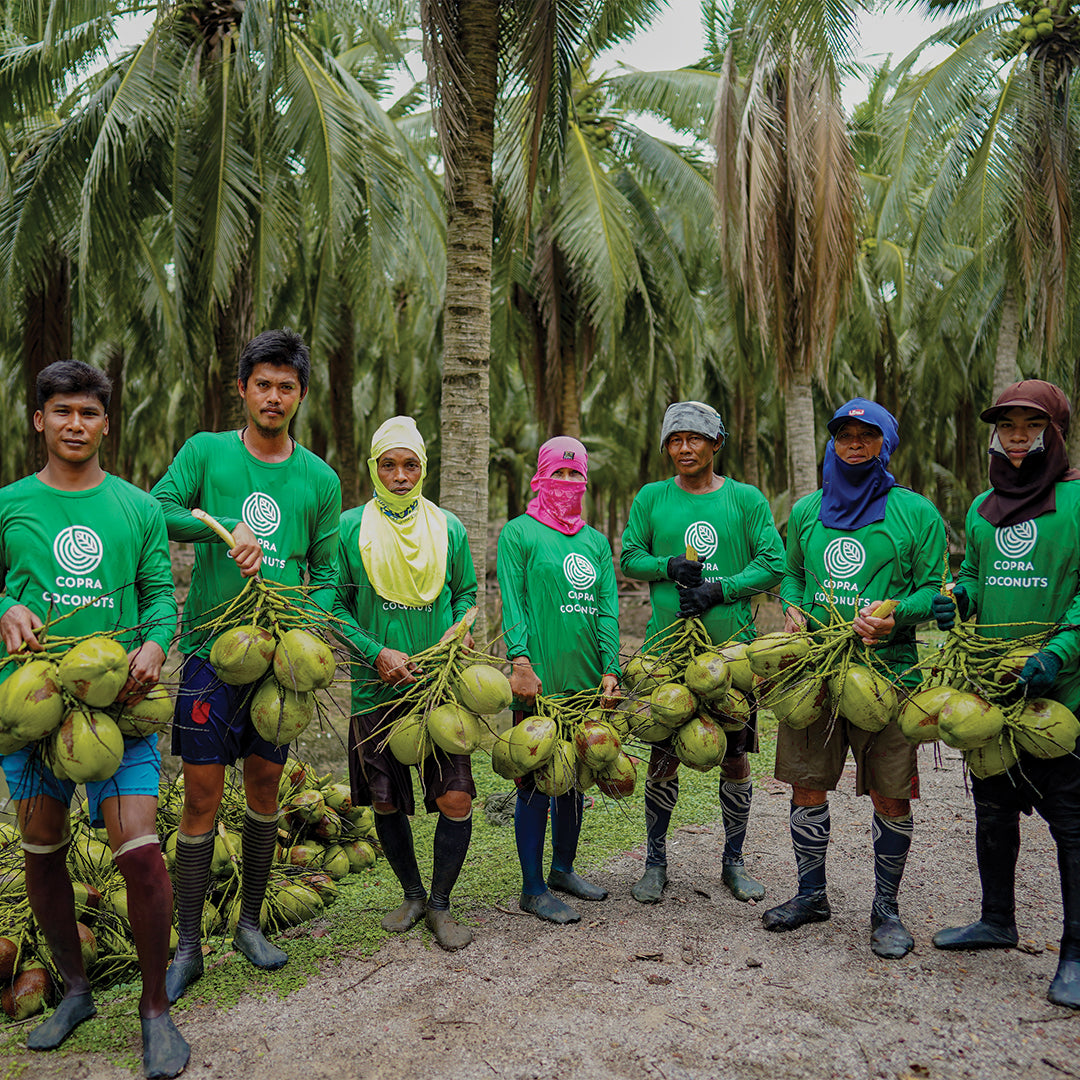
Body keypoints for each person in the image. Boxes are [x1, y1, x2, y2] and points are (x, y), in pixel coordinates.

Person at [0, 361, 187, 1077]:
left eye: (89, 412)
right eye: (62, 412)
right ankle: (75, 991)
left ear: (107, 423)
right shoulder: (10, 502)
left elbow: (159, 596)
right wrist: (6, 609)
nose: (75, 424)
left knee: (139, 850)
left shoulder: (137, 508)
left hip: (119, 708)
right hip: (33, 702)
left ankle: (154, 1011)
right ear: (39, 421)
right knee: (41, 847)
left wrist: (153, 643)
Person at [152, 330, 341, 1002]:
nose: (273, 396)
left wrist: (303, 626)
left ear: (301, 396)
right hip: (210, 653)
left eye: (286, 386)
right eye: (262, 383)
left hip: (278, 668)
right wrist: (225, 528)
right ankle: (189, 945)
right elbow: (161, 508)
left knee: (265, 788)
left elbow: (330, 567)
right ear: (242, 389)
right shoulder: (206, 452)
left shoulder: (320, 477)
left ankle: (253, 926)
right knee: (201, 797)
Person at [763, 399, 945, 959]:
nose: (856, 444)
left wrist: (898, 616)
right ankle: (811, 893)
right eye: (845, 434)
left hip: (887, 674)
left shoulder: (915, 513)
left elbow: (935, 589)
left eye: (869, 436)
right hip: (815, 671)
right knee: (806, 783)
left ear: (885, 445)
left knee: (890, 792)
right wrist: (792, 607)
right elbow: (792, 575)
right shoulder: (808, 510)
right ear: (833, 442)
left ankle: (886, 909)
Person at [930, 380, 1080, 1008]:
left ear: (1055, 433)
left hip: (1057, 689)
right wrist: (957, 598)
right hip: (991, 686)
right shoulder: (983, 505)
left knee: (1070, 822)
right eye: (1008, 427)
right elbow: (974, 574)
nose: (1018, 438)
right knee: (992, 806)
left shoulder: (1076, 500)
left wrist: (1058, 654)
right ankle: (997, 919)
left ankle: (1074, 951)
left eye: (1032, 426)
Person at [620, 401, 784, 904]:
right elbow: (629, 557)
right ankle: (655, 861)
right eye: (675, 439)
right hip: (666, 653)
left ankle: (733, 861)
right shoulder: (651, 498)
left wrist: (721, 589)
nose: (684, 448)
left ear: (717, 443)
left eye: (694, 438)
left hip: (730, 657)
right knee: (663, 757)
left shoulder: (745, 499)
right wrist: (667, 566)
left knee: (735, 758)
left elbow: (773, 562)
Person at [334, 417, 479, 951]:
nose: (400, 474)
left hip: (438, 690)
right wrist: (376, 653)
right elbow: (334, 606)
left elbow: (465, 593)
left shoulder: (449, 528)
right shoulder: (350, 529)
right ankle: (413, 893)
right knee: (386, 802)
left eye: (410, 464)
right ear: (374, 468)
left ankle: (441, 904)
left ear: (424, 468)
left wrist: (460, 627)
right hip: (376, 690)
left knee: (456, 798)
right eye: (389, 464)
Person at [497, 437, 621, 924]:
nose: (567, 484)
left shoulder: (594, 542)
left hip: (589, 680)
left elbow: (607, 609)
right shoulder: (519, 533)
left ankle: (563, 868)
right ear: (540, 478)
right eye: (558, 474)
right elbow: (514, 603)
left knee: (575, 776)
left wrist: (611, 667)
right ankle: (531, 887)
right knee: (535, 778)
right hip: (539, 684)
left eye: (575, 475)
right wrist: (521, 662)